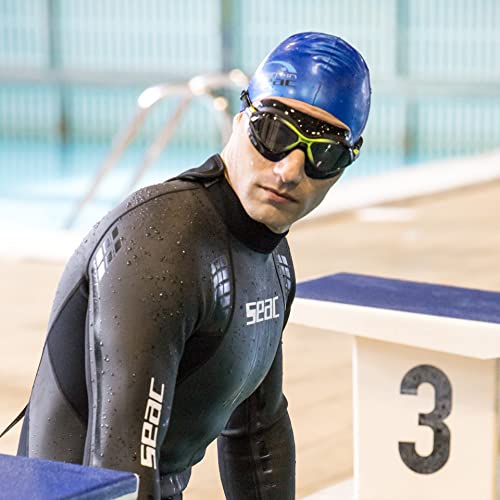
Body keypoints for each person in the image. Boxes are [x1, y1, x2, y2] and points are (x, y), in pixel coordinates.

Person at [16, 32, 371, 499]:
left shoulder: (273, 263)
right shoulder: (160, 243)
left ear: (345, 165)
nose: (289, 169)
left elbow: (257, 433)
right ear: (241, 117)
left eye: (321, 154)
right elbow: (120, 463)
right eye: (275, 132)